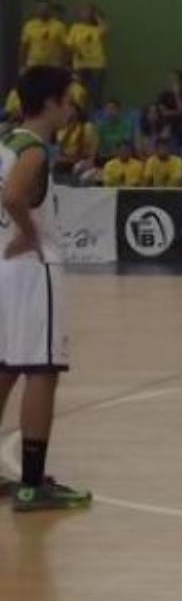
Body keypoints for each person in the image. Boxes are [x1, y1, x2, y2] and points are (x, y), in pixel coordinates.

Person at [0, 65, 92, 511]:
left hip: (5, 268)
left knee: (5, 367)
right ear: (52, 102)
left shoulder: (5, 141)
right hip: (34, 269)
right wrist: (29, 234)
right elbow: (14, 196)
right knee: (42, 370)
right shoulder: (33, 150)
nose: (72, 107)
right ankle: (33, 485)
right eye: (68, 100)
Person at [66, 4, 108, 106]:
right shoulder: (75, 27)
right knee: (79, 88)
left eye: (88, 12)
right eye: (83, 12)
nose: (85, 14)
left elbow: (105, 30)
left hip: (97, 63)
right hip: (80, 63)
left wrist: (97, 16)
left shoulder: (97, 28)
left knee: (96, 90)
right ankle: (80, 109)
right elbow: (70, 44)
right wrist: (77, 52)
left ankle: (96, 110)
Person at [54, 105, 98, 185]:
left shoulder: (87, 127)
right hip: (65, 159)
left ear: (78, 113)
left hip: (81, 159)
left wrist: (90, 161)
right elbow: (59, 146)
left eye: (73, 111)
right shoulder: (63, 127)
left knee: (77, 169)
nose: (70, 113)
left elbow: (93, 147)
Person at [19, 0, 68, 71]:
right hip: (34, 63)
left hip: (53, 63)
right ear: (35, 10)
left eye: (46, 8)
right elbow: (24, 46)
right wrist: (22, 65)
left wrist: (64, 64)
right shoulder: (29, 25)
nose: (43, 11)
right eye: (40, 9)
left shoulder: (59, 26)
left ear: (50, 10)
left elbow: (64, 46)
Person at [94, 99, 133, 164]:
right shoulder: (101, 125)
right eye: (107, 108)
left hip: (120, 158)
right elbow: (96, 144)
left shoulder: (126, 125)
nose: (110, 111)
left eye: (112, 108)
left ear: (119, 110)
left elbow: (125, 144)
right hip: (104, 157)